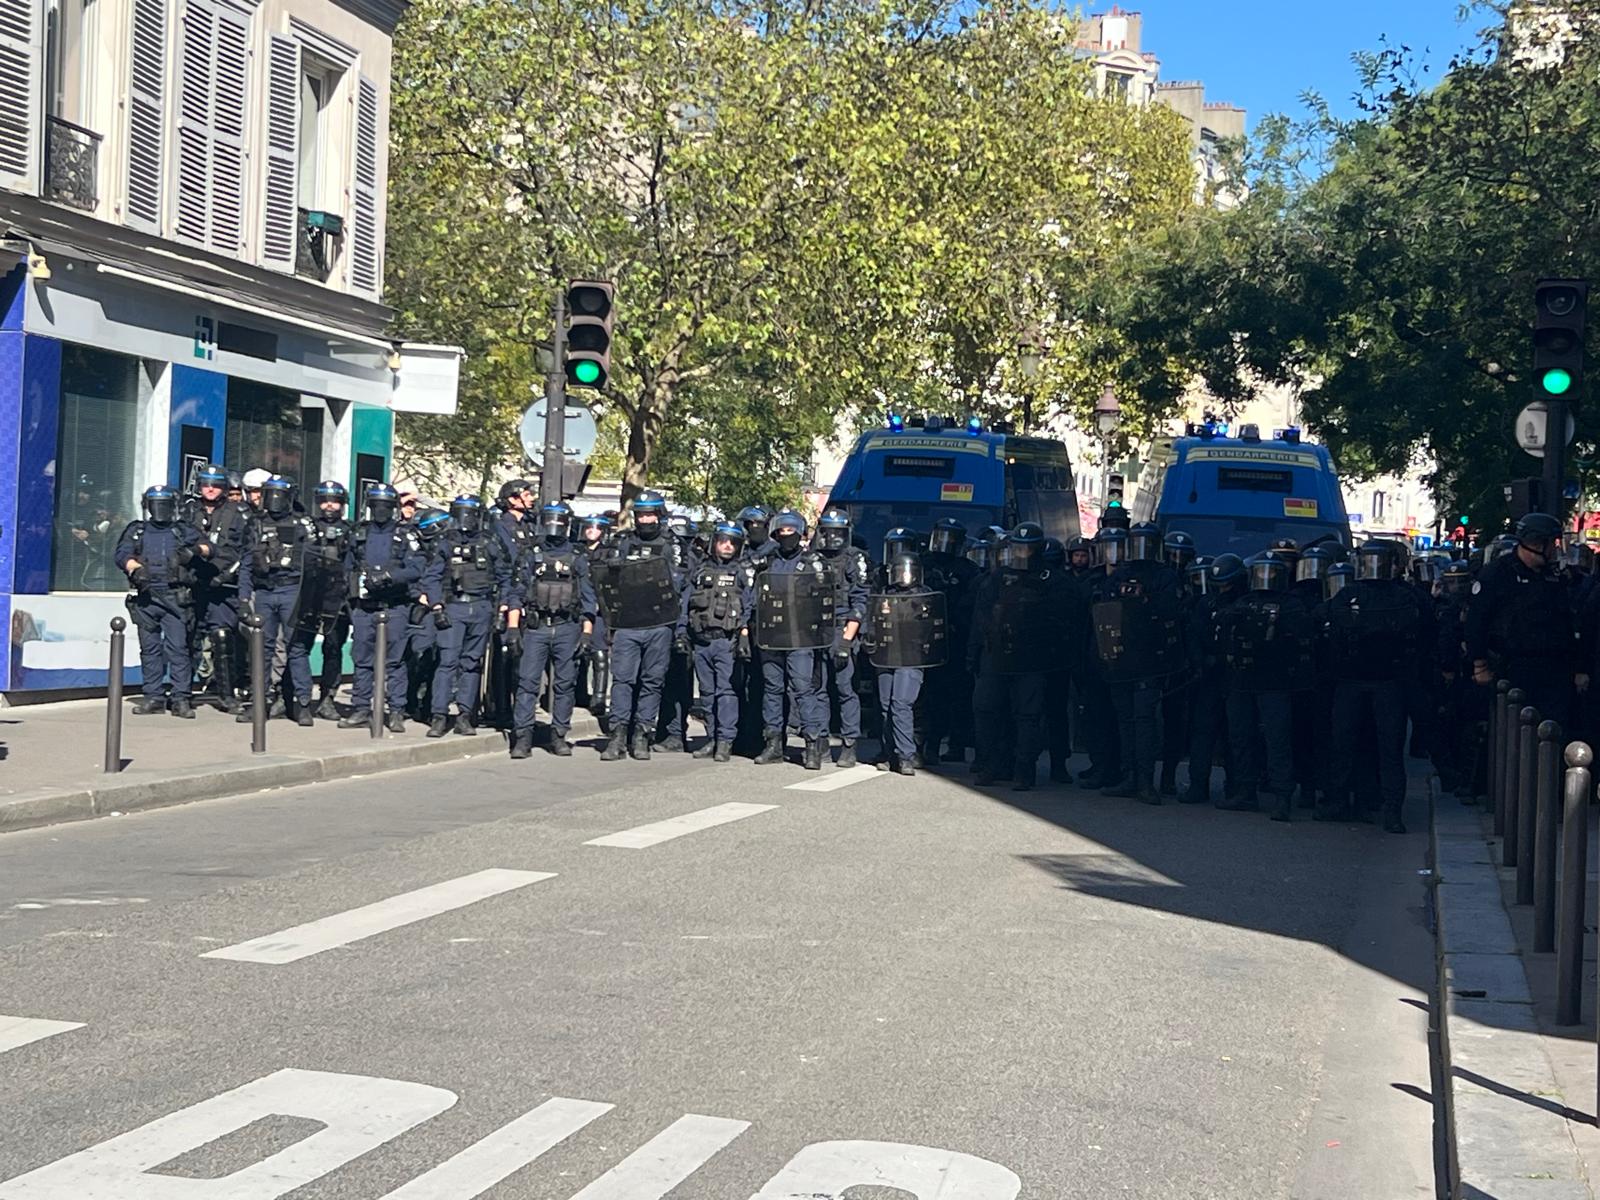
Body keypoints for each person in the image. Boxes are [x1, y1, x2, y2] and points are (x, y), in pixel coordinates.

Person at [1321, 538, 1432, 832]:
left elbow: (1327, 627)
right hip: (1387, 682)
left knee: (1346, 745)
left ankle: (1341, 803)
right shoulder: (1407, 596)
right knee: (1388, 749)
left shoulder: (1349, 594)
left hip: (1356, 681)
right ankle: (1389, 811)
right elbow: (1424, 635)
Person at [1092, 522, 1184, 804]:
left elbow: (1171, 611)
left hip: (1150, 659)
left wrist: (1144, 598)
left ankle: (1145, 781)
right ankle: (1129, 776)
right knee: (1126, 721)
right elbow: (1105, 608)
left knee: (1144, 722)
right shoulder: (1120, 573)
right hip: (1121, 657)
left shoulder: (1165, 576)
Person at [1466, 513, 1584, 733]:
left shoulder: (1554, 575)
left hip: (1553, 668)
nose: (1554, 550)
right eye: (1552, 543)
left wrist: (1578, 667)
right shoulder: (1498, 574)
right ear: (1537, 543)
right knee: (1512, 733)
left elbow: (1567, 623)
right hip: (1512, 666)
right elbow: (1477, 621)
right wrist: (1479, 665)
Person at [1220, 552, 1316, 821]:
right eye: (1261, 573)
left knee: (1278, 740)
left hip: (1276, 682)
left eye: (1271, 574)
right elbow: (1226, 626)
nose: (1265, 580)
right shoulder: (1244, 602)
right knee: (1241, 737)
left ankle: (1282, 796)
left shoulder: (1292, 605)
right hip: (1243, 679)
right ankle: (1245, 791)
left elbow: (1301, 637)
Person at [969, 522, 1057, 791]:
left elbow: (1062, 622)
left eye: (1028, 549)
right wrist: (972, 655)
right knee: (986, 711)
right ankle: (991, 766)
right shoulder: (997, 578)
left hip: (1031, 658)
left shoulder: (1050, 579)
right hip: (995, 656)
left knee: (1028, 716)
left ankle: (1024, 770)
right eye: (1018, 548)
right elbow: (979, 618)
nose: (1022, 554)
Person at [506, 501, 596, 758]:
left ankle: (559, 736)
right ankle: (522, 737)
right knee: (527, 683)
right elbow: (517, 593)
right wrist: (513, 629)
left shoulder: (578, 558)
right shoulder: (530, 554)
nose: (554, 526)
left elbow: (589, 599)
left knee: (565, 685)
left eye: (559, 521)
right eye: (549, 520)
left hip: (567, 627)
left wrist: (587, 633)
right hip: (536, 627)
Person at [599, 491, 681, 761]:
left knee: (652, 681)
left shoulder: (672, 546)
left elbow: (681, 585)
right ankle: (618, 734)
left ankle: (642, 734)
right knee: (622, 680)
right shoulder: (622, 542)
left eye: (650, 514)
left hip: (659, 623)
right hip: (628, 623)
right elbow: (606, 581)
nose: (645, 519)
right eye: (641, 514)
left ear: (659, 515)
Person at [340, 483, 425, 733]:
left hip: (395, 605)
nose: (380, 510)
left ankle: (396, 711)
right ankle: (360, 708)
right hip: (364, 607)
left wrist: (390, 576)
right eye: (376, 505)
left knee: (394, 661)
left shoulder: (406, 535)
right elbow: (346, 567)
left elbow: (417, 568)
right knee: (362, 659)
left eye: (386, 506)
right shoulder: (358, 533)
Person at [115, 485, 205, 717]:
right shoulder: (137, 530)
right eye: (156, 505)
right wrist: (134, 568)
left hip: (175, 597)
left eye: (164, 505)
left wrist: (194, 551)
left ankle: (181, 698)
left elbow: (209, 548)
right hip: (146, 597)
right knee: (150, 649)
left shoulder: (182, 530)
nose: (160, 510)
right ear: (148, 507)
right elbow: (122, 555)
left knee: (178, 649)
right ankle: (153, 696)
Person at [753, 509, 833, 770]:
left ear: (800, 533)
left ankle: (812, 745)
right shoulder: (768, 561)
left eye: (791, 531)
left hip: (802, 638)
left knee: (803, 690)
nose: (786, 535)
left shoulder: (814, 563)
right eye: (782, 531)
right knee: (772, 690)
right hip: (772, 636)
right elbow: (753, 597)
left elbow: (825, 600)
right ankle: (774, 743)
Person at [420, 495, 506, 738]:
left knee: (471, 664)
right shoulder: (445, 543)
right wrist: (436, 606)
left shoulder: (490, 542)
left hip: (481, 608)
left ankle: (465, 716)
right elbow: (432, 577)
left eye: (470, 514)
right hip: (453, 607)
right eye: (461, 514)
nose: (465, 520)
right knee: (447, 662)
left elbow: (505, 577)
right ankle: (439, 715)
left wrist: (501, 610)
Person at [237, 476, 318, 724]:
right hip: (264, 592)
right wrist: (242, 598)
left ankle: (302, 703)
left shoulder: (302, 523)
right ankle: (260, 703)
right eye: (269, 494)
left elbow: (314, 563)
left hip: (292, 591)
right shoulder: (255, 523)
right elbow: (246, 563)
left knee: (296, 648)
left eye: (279, 495)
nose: (273, 500)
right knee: (262, 649)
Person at [679, 521, 754, 761]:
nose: (727, 546)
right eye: (723, 541)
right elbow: (685, 604)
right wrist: (682, 632)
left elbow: (750, 606)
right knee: (707, 693)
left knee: (726, 692)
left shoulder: (743, 572)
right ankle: (711, 738)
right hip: (701, 641)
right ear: (714, 542)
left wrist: (743, 634)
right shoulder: (700, 571)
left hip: (727, 642)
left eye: (733, 542)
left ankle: (725, 741)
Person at [183, 464, 248, 713]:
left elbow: (245, 551)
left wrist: (225, 575)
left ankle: (225, 695)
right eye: (206, 484)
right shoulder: (188, 511)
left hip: (223, 586)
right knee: (189, 637)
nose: (210, 489)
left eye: (216, 485)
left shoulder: (238, 513)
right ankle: (183, 693)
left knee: (222, 639)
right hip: (194, 583)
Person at [869, 545, 939, 775]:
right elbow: (873, 621)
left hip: (912, 658)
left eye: (906, 571)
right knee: (885, 706)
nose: (902, 576)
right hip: (886, 655)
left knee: (901, 703)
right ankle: (889, 752)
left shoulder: (925, 595)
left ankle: (906, 755)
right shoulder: (885, 594)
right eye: (898, 571)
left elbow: (933, 627)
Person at [1185, 553, 1245, 805]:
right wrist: (1201, 661)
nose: (1222, 589)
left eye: (1227, 584)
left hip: (1236, 677)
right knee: (1203, 732)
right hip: (1210, 675)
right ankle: (1198, 786)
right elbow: (1194, 634)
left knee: (1237, 734)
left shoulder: (1244, 603)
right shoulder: (1206, 603)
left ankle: (1236, 787)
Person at [920, 517, 980, 765]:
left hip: (956, 639)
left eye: (950, 539)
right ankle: (929, 745)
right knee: (930, 696)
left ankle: (957, 745)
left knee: (958, 697)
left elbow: (972, 604)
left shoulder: (968, 569)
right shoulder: (923, 563)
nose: (945, 543)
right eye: (942, 537)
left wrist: (956, 620)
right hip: (924, 638)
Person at [815, 507, 868, 767]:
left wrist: (847, 640)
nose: (832, 537)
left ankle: (849, 745)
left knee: (846, 689)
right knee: (818, 689)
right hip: (816, 630)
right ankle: (821, 743)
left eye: (837, 532)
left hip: (842, 629)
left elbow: (861, 599)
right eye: (828, 531)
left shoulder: (854, 558)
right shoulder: (812, 557)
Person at [308, 481, 353, 719]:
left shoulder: (351, 531)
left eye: (334, 501)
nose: (329, 505)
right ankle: (292, 697)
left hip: (338, 599)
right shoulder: (307, 527)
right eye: (324, 500)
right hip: (309, 596)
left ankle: (328, 698)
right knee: (299, 648)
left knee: (333, 648)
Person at [575, 513, 612, 718]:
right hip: (577, 606)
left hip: (599, 609)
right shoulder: (576, 552)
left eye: (596, 527)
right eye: (588, 526)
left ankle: (598, 696)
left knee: (599, 651)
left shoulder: (607, 554)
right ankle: (579, 693)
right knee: (578, 652)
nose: (591, 530)